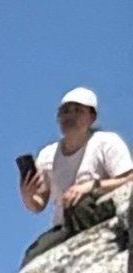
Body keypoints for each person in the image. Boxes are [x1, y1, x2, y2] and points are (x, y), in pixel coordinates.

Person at [19, 84, 129, 252]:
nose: (70, 116)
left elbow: (130, 179)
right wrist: (28, 196)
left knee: (81, 204)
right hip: (64, 226)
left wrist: (91, 186)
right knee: (33, 254)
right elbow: (38, 204)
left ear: (92, 117)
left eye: (78, 110)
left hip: (101, 213)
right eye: (65, 111)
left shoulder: (106, 142)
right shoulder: (48, 154)